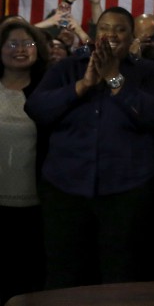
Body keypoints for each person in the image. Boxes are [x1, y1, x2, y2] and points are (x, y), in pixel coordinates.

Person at [25, 7, 154, 288]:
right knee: (64, 276)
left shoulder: (149, 73)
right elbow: (37, 108)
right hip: (66, 189)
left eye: (120, 29)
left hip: (127, 192)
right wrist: (84, 84)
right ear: (95, 34)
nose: (111, 34)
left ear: (132, 37)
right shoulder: (67, 68)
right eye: (105, 28)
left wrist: (115, 78)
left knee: (122, 276)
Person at [0, 20, 49, 304]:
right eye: (13, 44)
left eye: (28, 44)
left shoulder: (47, 90)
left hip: (35, 205)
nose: (21, 50)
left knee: (27, 281)